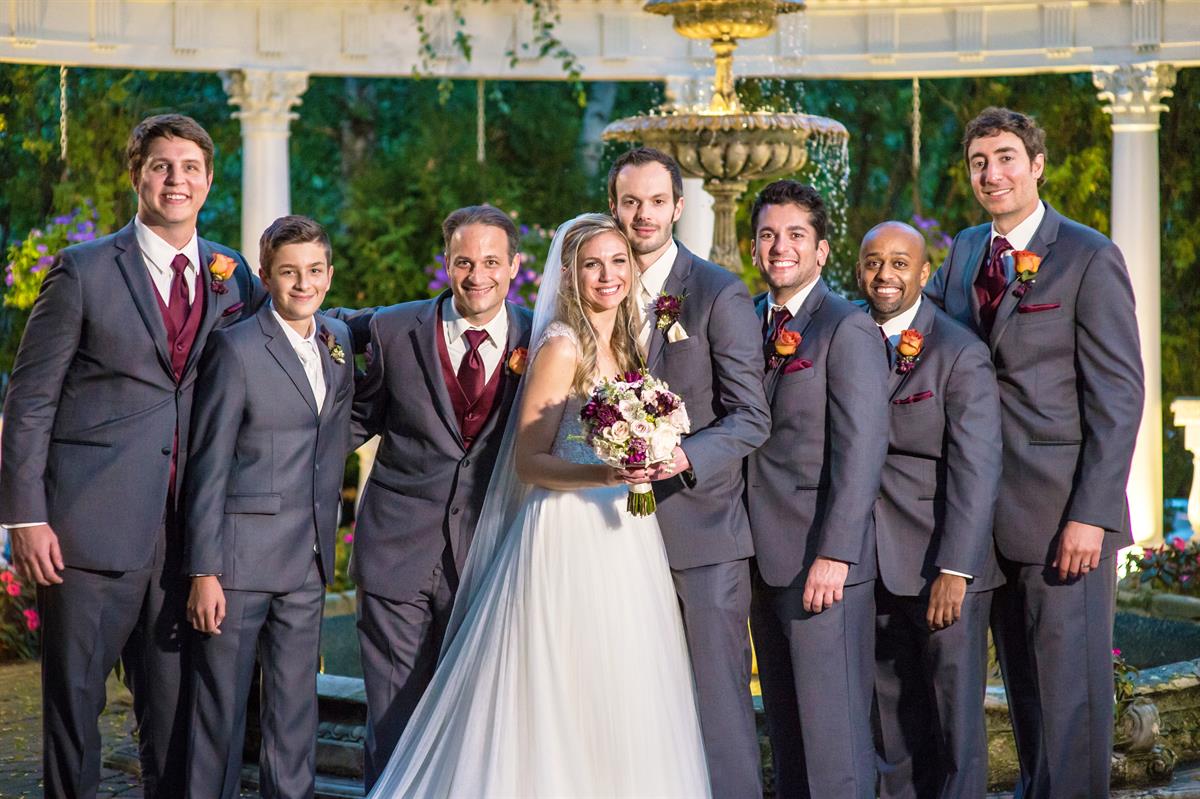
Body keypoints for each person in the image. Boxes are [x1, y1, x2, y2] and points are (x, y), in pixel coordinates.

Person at [367, 213, 710, 797]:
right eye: (592, 264)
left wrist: (650, 453)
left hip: (624, 534)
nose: (608, 275)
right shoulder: (560, 345)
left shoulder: (630, 343)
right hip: (564, 530)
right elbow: (530, 461)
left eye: (618, 262)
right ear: (570, 274)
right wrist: (608, 471)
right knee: (556, 680)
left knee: (620, 680)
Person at [0, 113, 264, 798]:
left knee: (175, 719)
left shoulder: (234, 276)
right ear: (136, 175)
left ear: (209, 181)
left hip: (189, 542)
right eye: (160, 165)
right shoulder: (82, 271)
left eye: (190, 167)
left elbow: (286, 343)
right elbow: (30, 399)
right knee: (74, 713)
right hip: (88, 533)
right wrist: (25, 516)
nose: (176, 179)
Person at [926, 107, 1145, 798]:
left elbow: (1119, 397)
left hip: (1061, 518)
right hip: (982, 518)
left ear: (1037, 165)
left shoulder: (1088, 255)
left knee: (1072, 699)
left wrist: (1092, 514)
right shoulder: (965, 250)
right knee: (1025, 693)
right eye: (979, 162)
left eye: (1006, 158)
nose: (992, 173)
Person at [348, 205, 534, 790]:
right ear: (447, 263)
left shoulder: (543, 337)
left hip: (488, 554)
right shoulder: (394, 328)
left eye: (492, 262)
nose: (478, 275)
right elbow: (349, 418)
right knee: (392, 718)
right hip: (395, 550)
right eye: (464, 262)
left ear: (515, 266)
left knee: (472, 718)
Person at [608, 147, 770, 798]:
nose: (642, 214)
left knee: (718, 707)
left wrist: (683, 456)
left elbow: (750, 417)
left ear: (679, 206)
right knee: (636, 704)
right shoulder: (598, 286)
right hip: (614, 538)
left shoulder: (717, 292)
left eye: (656, 201)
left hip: (703, 535)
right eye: (630, 202)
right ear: (614, 207)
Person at [182, 215, 355, 799]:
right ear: (265, 276)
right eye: (288, 272)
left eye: (314, 270)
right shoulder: (234, 348)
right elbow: (209, 463)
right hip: (238, 565)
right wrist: (203, 571)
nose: (303, 283)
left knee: (295, 716)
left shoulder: (337, 340)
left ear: (329, 274)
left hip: (308, 561)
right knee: (220, 717)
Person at [744, 180, 889, 799]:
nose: (781, 247)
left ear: (822, 250)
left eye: (796, 235)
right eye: (769, 235)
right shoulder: (746, 319)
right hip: (759, 557)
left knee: (836, 746)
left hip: (821, 564)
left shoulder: (846, 327)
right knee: (788, 737)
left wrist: (836, 554)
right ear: (754, 247)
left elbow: (862, 450)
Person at [857, 221, 1003, 798]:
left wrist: (956, 569)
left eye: (899, 263)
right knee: (888, 722)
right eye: (873, 262)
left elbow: (977, 467)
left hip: (939, 565)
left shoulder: (958, 350)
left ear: (923, 273)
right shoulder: (846, 333)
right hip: (867, 562)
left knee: (954, 726)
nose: (884, 275)